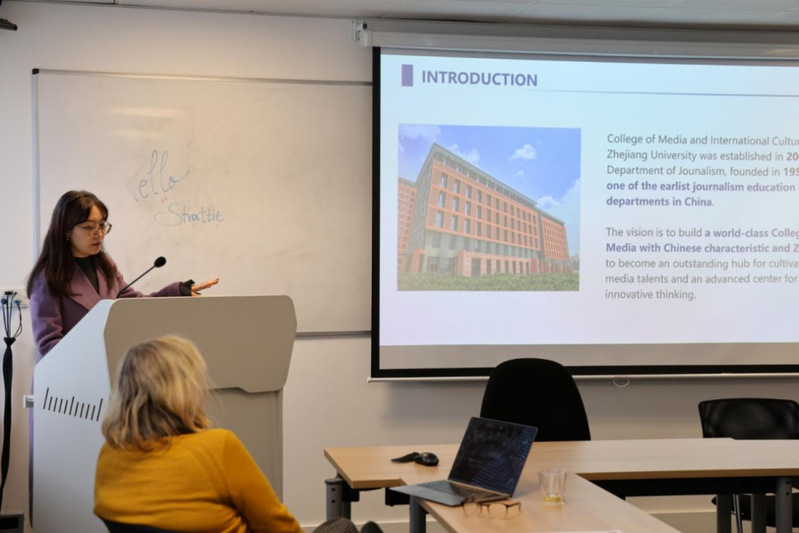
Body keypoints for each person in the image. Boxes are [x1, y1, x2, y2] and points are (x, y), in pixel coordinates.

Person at [95, 336, 382, 533]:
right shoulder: (216, 447)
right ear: (183, 392)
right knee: (344, 527)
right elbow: (280, 528)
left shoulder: (109, 456)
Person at [26, 190, 218, 357]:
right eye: (89, 227)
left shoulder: (105, 266)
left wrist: (178, 291)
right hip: (67, 378)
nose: (98, 233)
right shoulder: (48, 277)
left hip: (105, 371)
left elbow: (135, 305)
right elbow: (49, 345)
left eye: (102, 225)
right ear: (66, 231)